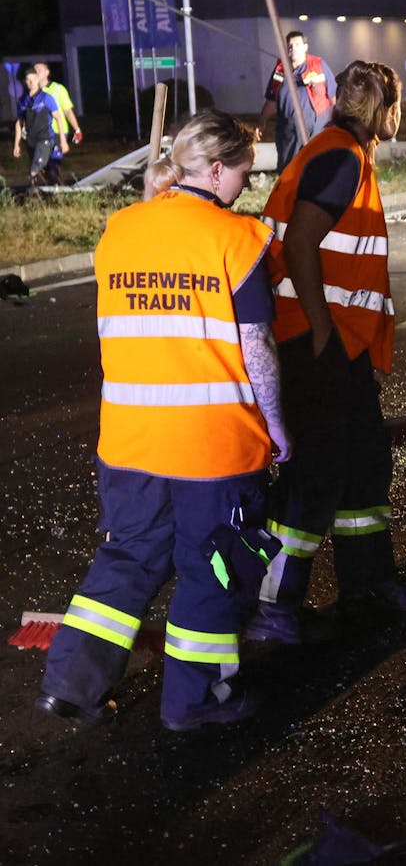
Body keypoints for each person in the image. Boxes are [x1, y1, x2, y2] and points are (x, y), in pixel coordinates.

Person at [38, 109, 288, 731]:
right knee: (212, 566)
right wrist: (278, 428)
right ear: (214, 168)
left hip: (128, 441)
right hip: (211, 446)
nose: (246, 187)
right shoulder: (241, 239)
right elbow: (257, 349)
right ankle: (193, 702)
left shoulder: (119, 230)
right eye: (242, 173)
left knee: (127, 557)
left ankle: (70, 684)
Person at [249, 59, 406, 645]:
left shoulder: (342, 152)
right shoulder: (342, 158)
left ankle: (366, 584)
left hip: (335, 344)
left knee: (364, 464)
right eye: (398, 107)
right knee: (315, 476)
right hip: (317, 342)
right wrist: (323, 330)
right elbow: (299, 240)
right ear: (385, 109)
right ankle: (275, 608)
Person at [257, 30, 334, 171]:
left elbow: (333, 96)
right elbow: (271, 100)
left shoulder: (319, 65)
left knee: (318, 167)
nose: (293, 49)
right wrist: (262, 123)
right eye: (290, 46)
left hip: (317, 127)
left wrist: (339, 122)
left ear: (305, 47)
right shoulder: (280, 70)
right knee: (289, 168)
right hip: (289, 130)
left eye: (297, 45)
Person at [11, 69, 68, 186]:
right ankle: (54, 189)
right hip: (31, 140)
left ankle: (31, 192)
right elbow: (19, 123)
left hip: (45, 138)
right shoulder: (23, 101)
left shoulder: (46, 97)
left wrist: (62, 140)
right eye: (28, 80)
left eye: (33, 79)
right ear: (25, 82)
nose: (31, 82)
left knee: (35, 167)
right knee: (45, 170)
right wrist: (17, 144)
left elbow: (58, 118)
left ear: (38, 80)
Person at [32, 62, 83, 150]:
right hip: (39, 133)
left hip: (58, 132)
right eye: (34, 70)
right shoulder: (32, 92)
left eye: (39, 70)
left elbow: (68, 111)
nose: (36, 72)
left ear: (47, 73)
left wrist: (77, 129)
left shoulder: (58, 89)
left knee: (51, 160)